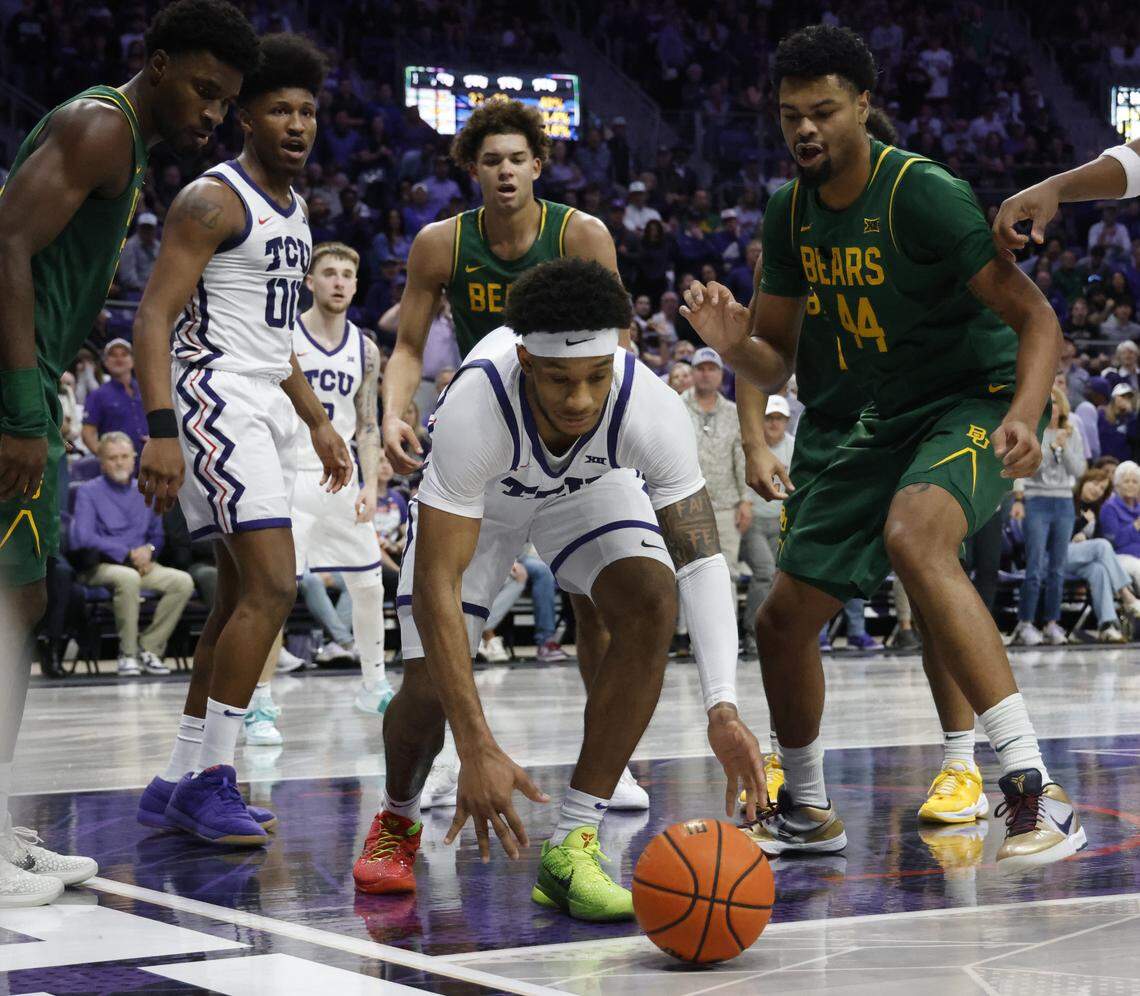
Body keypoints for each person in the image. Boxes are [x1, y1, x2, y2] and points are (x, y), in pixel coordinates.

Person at [685, 25, 1084, 870]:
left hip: (966, 402)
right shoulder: (789, 210)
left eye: (823, 111)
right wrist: (732, 344)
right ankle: (807, 810)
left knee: (917, 536)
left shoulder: (922, 194)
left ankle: (1031, 788)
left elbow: (1036, 317)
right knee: (783, 620)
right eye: (791, 114)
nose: (805, 130)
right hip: (862, 424)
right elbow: (776, 355)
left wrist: (1022, 410)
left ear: (863, 107)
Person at [353, 259, 765, 921]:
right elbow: (435, 581)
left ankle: (574, 841)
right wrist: (476, 744)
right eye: (559, 379)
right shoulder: (476, 405)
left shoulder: (650, 407)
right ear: (524, 360)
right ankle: (397, 818)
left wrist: (722, 705)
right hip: (486, 502)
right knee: (428, 684)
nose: (579, 399)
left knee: (652, 598)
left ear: (619, 355)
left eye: (595, 377)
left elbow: (701, 557)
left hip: (585, 488)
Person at [0, 0, 258, 905]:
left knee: (22, 598)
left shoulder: (123, 141)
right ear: (155, 63)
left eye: (225, 101)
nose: (213, 113)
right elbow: (6, 242)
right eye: (202, 89)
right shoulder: (103, 125)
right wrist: (23, 409)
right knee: (6, 601)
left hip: (26, 390)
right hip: (11, 393)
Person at [378, 98, 655, 809]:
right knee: (446, 625)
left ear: (539, 165)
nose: (505, 172)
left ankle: (608, 763)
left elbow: (618, 344)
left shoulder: (581, 233)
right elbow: (408, 346)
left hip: (571, 432)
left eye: (517, 159)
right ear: (473, 169)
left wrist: (603, 423)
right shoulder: (441, 243)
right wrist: (391, 412)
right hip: (487, 435)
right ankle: (452, 757)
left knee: (596, 603)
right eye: (491, 160)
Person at [729, 103, 990, 826]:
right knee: (790, 606)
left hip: (910, 423)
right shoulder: (797, 241)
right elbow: (758, 349)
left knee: (930, 585)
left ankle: (963, 763)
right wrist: (755, 441)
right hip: (830, 433)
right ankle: (795, 763)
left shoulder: (906, 240)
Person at [131, 34, 353, 848]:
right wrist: (160, 428)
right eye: (278, 109)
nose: (296, 124)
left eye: (306, 111)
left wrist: (319, 418)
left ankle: (179, 778)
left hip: (260, 398)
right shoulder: (211, 200)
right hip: (211, 396)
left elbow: (274, 334)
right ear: (245, 118)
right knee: (272, 587)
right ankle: (216, 780)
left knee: (236, 599)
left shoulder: (295, 209)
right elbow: (153, 313)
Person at [286, 241, 390, 724]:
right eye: (328, 273)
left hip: (343, 479)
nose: (338, 282)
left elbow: (367, 423)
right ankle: (260, 701)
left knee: (369, 583)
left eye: (347, 274)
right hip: (291, 475)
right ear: (310, 282)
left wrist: (372, 484)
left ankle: (375, 684)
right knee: (277, 589)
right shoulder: (285, 338)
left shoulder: (365, 348)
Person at [70, 432, 194, 675]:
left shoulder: (144, 489)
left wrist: (148, 551)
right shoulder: (87, 492)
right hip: (101, 566)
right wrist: (127, 553)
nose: (119, 462)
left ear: (134, 459)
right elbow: (83, 537)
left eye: (125, 456)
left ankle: (149, 648)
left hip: (141, 565)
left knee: (182, 582)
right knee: (128, 579)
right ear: (102, 462)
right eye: (113, 457)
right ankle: (127, 654)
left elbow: (157, 535)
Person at [1010, 386, 1086, 645]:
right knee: (1035, 566)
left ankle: (1052, 622)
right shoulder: (1034, 433)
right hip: (1037, 500)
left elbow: (1078, 470)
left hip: (1064, 501)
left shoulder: (1072, 433)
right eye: (1047, 402)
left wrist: (1063, 449)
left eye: (1055, 402)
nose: (1052, 407)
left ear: (1063, 405)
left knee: (1058, 567)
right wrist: (1051, 446)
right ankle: (1026, 622)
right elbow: (1031, 469)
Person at [739, 395, 795, 652]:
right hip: (754, 520)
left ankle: (775, 630)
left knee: (780, 576)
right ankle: (752, 633)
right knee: (763, 571)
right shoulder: (750, 446)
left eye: (779, 419)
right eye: (769, 418)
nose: (774, 423)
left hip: (782, 520)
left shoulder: (794, 446)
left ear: (787, 421)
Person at [1066, 467, 1139, 642]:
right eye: (1095, 484)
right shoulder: (1067, 500)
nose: (1096, 489)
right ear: (1084, 481)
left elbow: (1099, 536)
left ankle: (1107, 625)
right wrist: (1080, 527)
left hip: (1079, 559)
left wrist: (1085, 537)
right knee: (1102, 546)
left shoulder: (1095, 509)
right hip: (1055, 554)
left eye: (1101, 489)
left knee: (1098, 570)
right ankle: (1127, 597)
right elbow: (1057, 534)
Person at [80, 338, 147, 456]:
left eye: (124, 354)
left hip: (150, 460)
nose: (119, 359)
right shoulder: (97, 395)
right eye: (113, 355)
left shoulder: (146, 390)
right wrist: (106, 457)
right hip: (120, 468)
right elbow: (87, 434)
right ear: (105, 362)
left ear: (132, 361)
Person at [1098, 460, 1140, 594]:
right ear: (1117, 485)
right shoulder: (1109, 508)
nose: (1131, 485)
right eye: (1126, 481)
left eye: (1135, 482)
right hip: (1119, 557)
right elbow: (1113, 542)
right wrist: (1134, 527)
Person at [117, 211, 161, 294]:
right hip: (135, 292)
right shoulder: (130, 246)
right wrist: (143, 288)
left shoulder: (159, 247)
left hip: (155, 291)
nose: (147, 231)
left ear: (155, 229)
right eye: (144, 227)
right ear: (138, 228)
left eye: (150, 228)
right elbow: (128, 276)